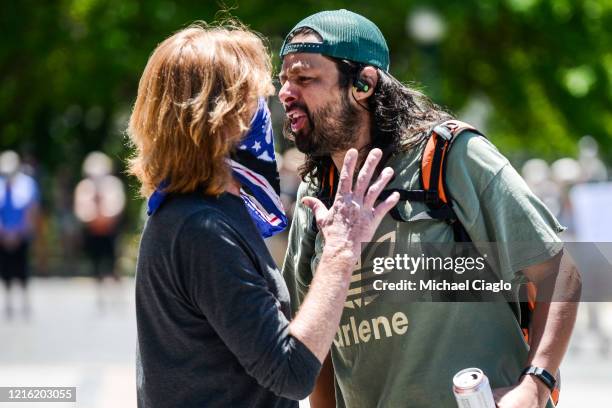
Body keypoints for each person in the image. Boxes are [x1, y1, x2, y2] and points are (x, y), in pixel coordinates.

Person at [279, 9, 582, 408]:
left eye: (304, 78)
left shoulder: (449, 157)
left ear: (364, 83)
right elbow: (315, 344)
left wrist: (535, 385)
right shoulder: (315, 197)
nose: (285, 92)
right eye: (282, 80)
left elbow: (559, 272)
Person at [127, 22, 399, 408]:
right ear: (223, 118)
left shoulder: (197, 211)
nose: (271, 106)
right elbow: (290, 372)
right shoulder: (199, 228)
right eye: (255, 97)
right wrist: (341, 247)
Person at [0, 150, 40, 319]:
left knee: (22, 269)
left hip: (21, 236)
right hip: (3, 236)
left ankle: (25, 303)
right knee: (5, 271)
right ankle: (8, 303)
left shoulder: (27, 184)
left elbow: (32, 210)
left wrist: (19, 232)